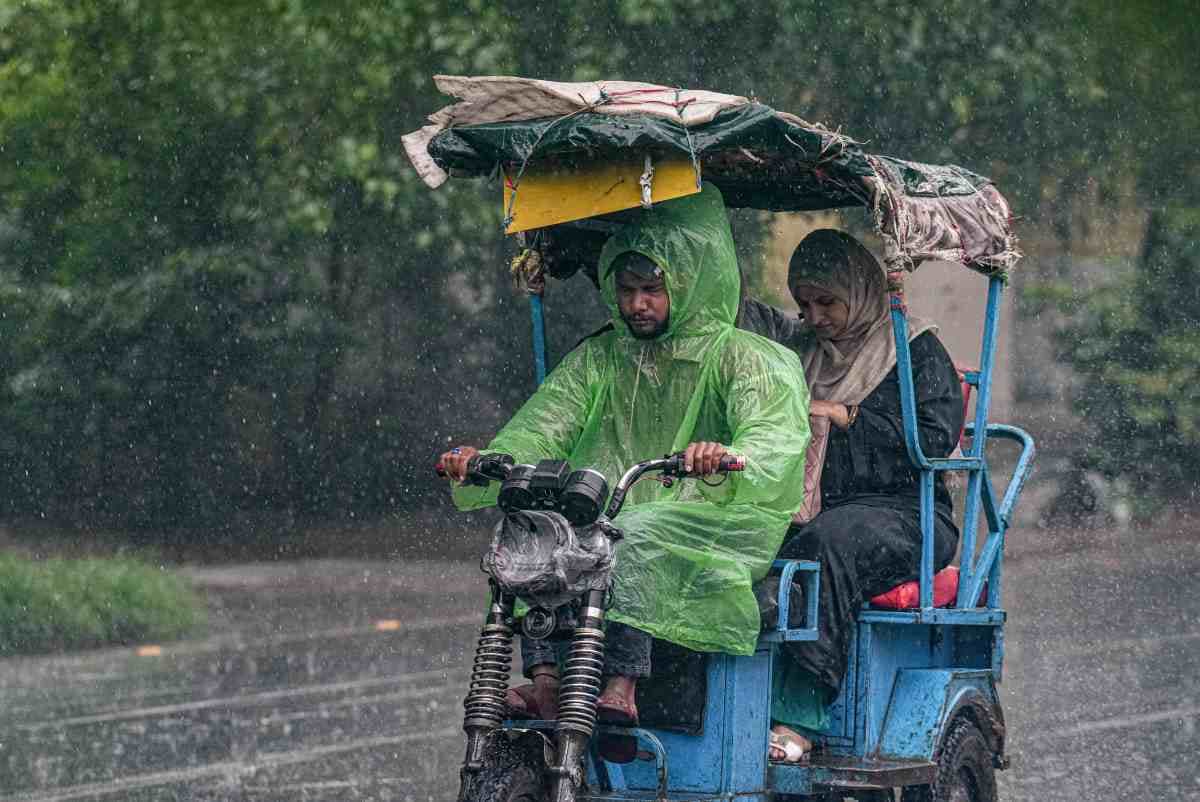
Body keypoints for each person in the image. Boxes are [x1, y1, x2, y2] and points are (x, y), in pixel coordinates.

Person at [439, 184, 810, 746]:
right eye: (628, 290)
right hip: (616, 503)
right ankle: (545, 679)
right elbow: (546, 422)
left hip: (719, 515)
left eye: (652, 290)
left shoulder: (750, 357)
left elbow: (773, 436)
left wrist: (724, 456)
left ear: (687, 283)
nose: (637, 304)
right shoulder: (601, 356)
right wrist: (487, 461)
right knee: (534, 529)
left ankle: (621, 683)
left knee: (628, 535)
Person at [766, 229, 964, 762]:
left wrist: (849, 417)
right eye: (805, 304)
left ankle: (799, 714)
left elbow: (936, 434)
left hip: (908, 513)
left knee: (828, 544)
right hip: (809, 506)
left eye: (827, 301)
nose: (816, 316)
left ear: (858, 290)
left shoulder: (915, 347)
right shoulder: (800, 351)